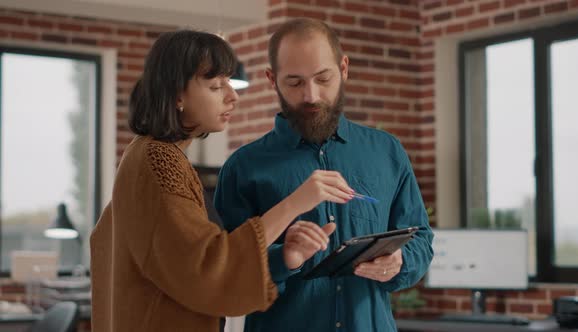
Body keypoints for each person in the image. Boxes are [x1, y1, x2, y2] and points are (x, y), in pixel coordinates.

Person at [89, 29, 355, 332]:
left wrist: (287, 254)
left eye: (229, 82)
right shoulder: (158, 159)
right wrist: (296, 203)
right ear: (177, 95)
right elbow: (204, 265)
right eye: (216, 86)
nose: (233, 95)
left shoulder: (149, 152)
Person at [214, 18, 434, 331]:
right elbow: (226, 277)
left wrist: (400, 261)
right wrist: (283, 258)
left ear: (343, 69)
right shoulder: (243, 167)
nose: (311, 96)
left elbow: (421, 240)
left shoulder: (387, 151)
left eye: (323, 78)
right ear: (271, 79)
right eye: (294, 83)